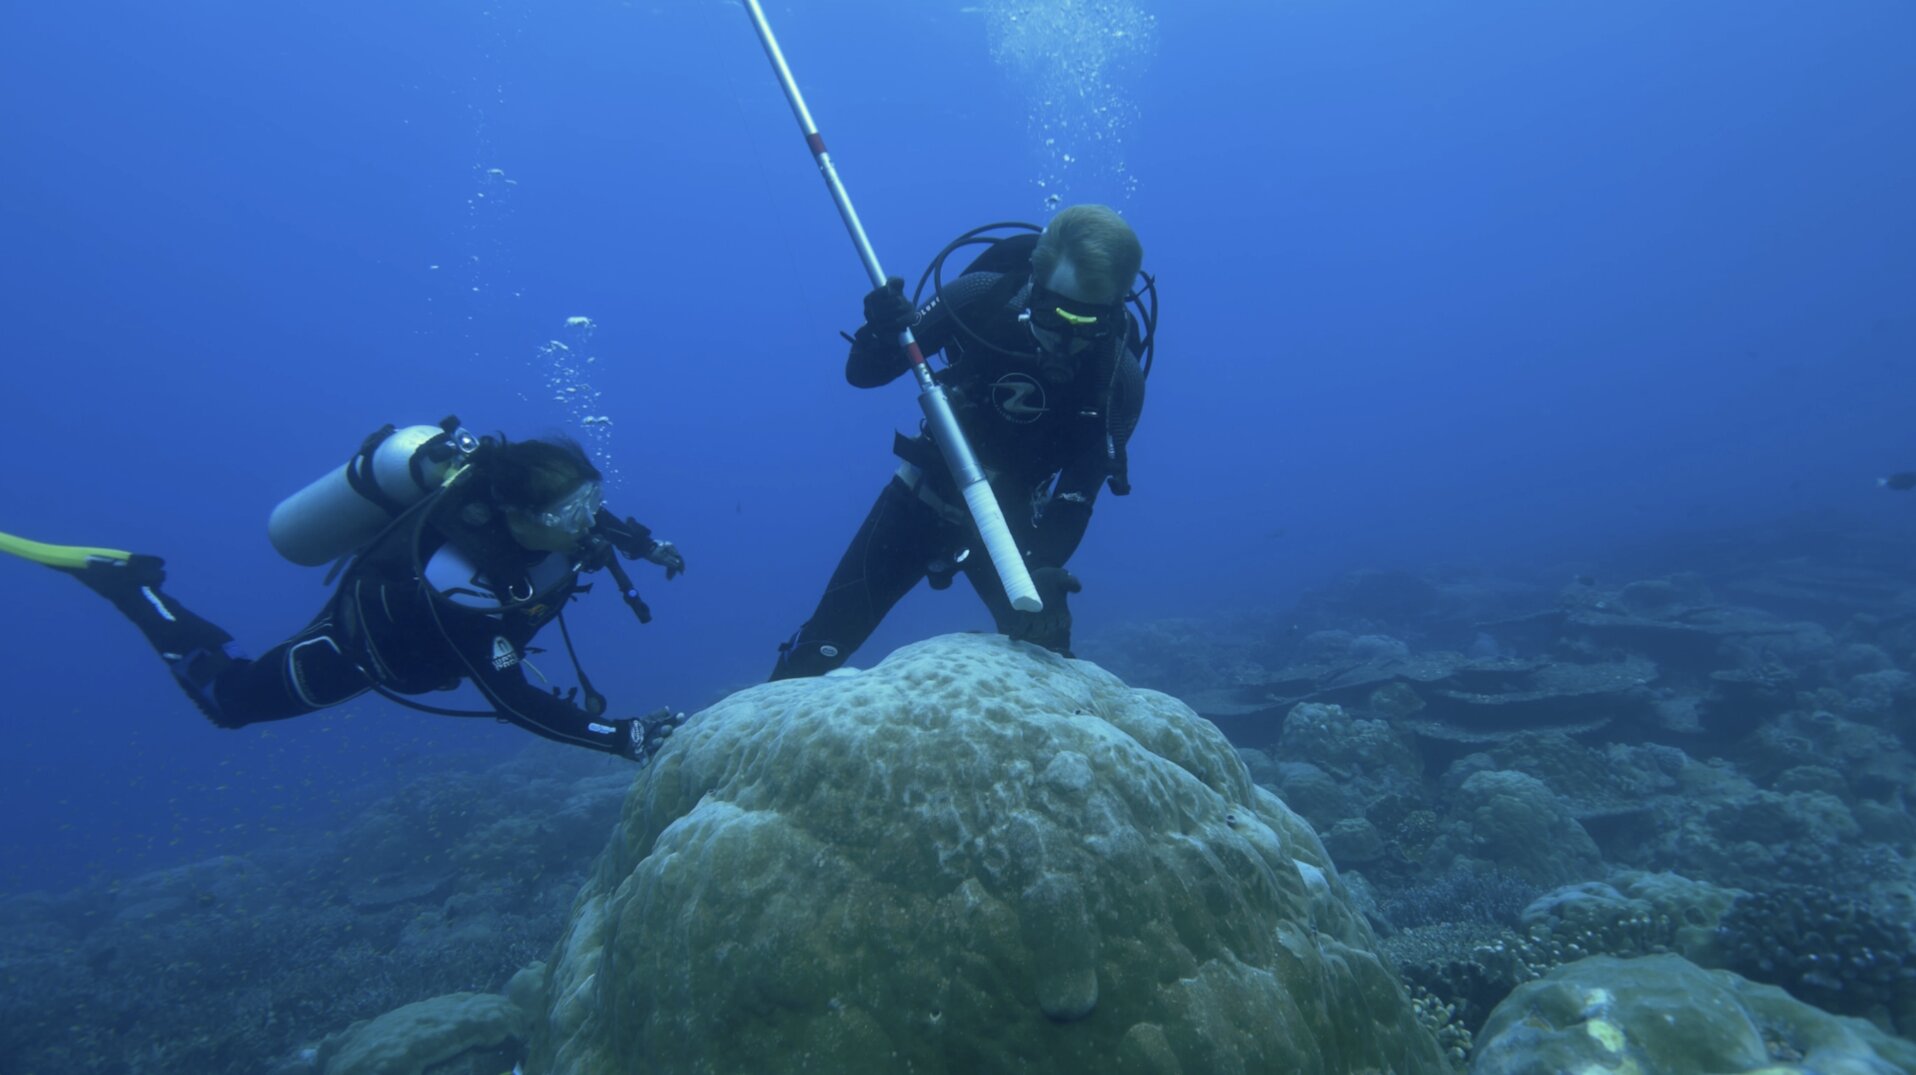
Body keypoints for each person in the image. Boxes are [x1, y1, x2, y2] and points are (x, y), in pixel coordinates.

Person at [0, 427, 688, 762]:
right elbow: (513, 699)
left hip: (448, 642)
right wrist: (622, 735)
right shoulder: (459, 584)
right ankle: (128, 586)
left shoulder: (554, 516)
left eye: (590, 501)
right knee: (230, 701)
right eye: (571, 512)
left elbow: (594, 519)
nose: (586, 522)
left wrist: (647, 545)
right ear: (512, 513)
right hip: (362, 652)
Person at [771, 204, 1151, 679]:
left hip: (1008, 531)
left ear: (1114, 311)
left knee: (1048, 670)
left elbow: (1076, 495)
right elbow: (865, 373)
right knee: (817, 652)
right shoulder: (981, 297)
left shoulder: (1118, 378)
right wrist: (880, 332)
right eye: (1054, 316)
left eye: (1088, 325)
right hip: (919, 499)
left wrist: (1043, 566)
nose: (1066, 341)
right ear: (1034, 284)